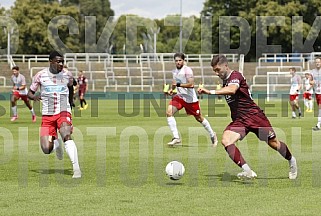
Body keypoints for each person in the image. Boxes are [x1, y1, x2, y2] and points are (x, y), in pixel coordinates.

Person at [197, 54, 297, 180]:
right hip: (240, 120)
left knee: (273, 143)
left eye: (218, 69)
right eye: (214, 71)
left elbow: (233, 90)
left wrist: (210, 91)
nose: (216, 73)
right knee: (226, 141)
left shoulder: (235, 76)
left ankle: (291, 160)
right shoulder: (225, 80)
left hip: (254, 116)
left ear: (225, 66)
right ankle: (248, 171)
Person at [27, 51, 81, 178]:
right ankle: (56, 144)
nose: (61, 64)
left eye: (62, 61)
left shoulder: (67, 75)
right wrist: (35, 97)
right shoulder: (40, 75)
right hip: (47, 114)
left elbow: (71, 87)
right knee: (46, 149)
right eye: (58, 61)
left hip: (63, 110)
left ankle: (76, 169)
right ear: (51, 61)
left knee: (66, 135)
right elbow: (29, 93)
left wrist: (70, 102)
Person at [166, 52, 218, 147]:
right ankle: (176, 137)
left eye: (180, 60)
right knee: (169, 113)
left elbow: (191, 84)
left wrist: (178, 85)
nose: (178, 62)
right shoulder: (174, 71)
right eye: (176, 61)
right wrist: (171, 90)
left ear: (183, 60)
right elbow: (174, 83)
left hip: (190, 99)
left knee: (199, 118)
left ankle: (212, 135)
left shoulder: (187, 70)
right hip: (180, 97)